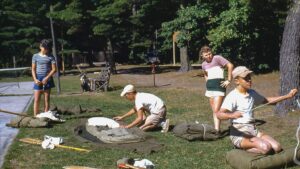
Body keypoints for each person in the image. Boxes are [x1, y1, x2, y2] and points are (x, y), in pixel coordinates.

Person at [216, 66, 298, 154]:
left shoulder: (252, 93)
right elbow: (219, 114)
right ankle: (240, 147)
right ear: (237, 81)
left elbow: (267, 101)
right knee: (266, 148)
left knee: (277, 147)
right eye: (245, 78)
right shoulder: (232, 96)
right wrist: (232, 115)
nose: (249, 80)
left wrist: (287, 96)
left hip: (253, 130)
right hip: (239, 132)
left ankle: (255, 144)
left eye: (249, 77)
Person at [200, 46, 234, 132]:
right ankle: (217, 130)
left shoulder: (217, 58)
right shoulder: (203, 64)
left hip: (219, 87)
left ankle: (232, 118)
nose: (209, 56)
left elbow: (230, 65)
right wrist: (207, 82)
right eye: (206, 55)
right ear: (202, 56)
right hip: (210, 88)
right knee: (214, 111)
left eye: (210, 53)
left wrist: (229, 80)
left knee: (217, 110)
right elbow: (205, 74)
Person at [32, 39, 56, 116]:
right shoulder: (35, 56)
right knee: (36, 99)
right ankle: (36, 116)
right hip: (38, 78)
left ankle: (46, 115)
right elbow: (33, 69)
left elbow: (54, 69)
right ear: (40, 46)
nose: (45, 50)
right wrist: (35, 79)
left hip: (47, 79)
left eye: (47, 48)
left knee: (46, 99)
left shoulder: (51, 56)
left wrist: (47, 78)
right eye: (44, 48)